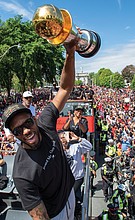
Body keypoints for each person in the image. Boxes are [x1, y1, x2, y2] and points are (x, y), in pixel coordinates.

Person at [2, 41, 77, 220]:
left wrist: (70, 53)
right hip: (56, 215)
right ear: (14, 134)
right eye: (18, 130)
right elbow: (40, 217)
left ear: (34, 118)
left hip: (70, 197)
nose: (26, 131)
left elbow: (65, 88)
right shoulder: (22, 174)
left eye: (27, 123)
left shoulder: (45, 122)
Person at [58, 130, 92, 204]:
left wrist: (78, 139)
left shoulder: (75, 147)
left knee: (71, 195)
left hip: (77, 178)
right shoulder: (57, 151)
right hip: (65, 179)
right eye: (61, 138)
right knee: (74, 196)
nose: (63, 140)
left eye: (65, 137)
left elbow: (89, 147)